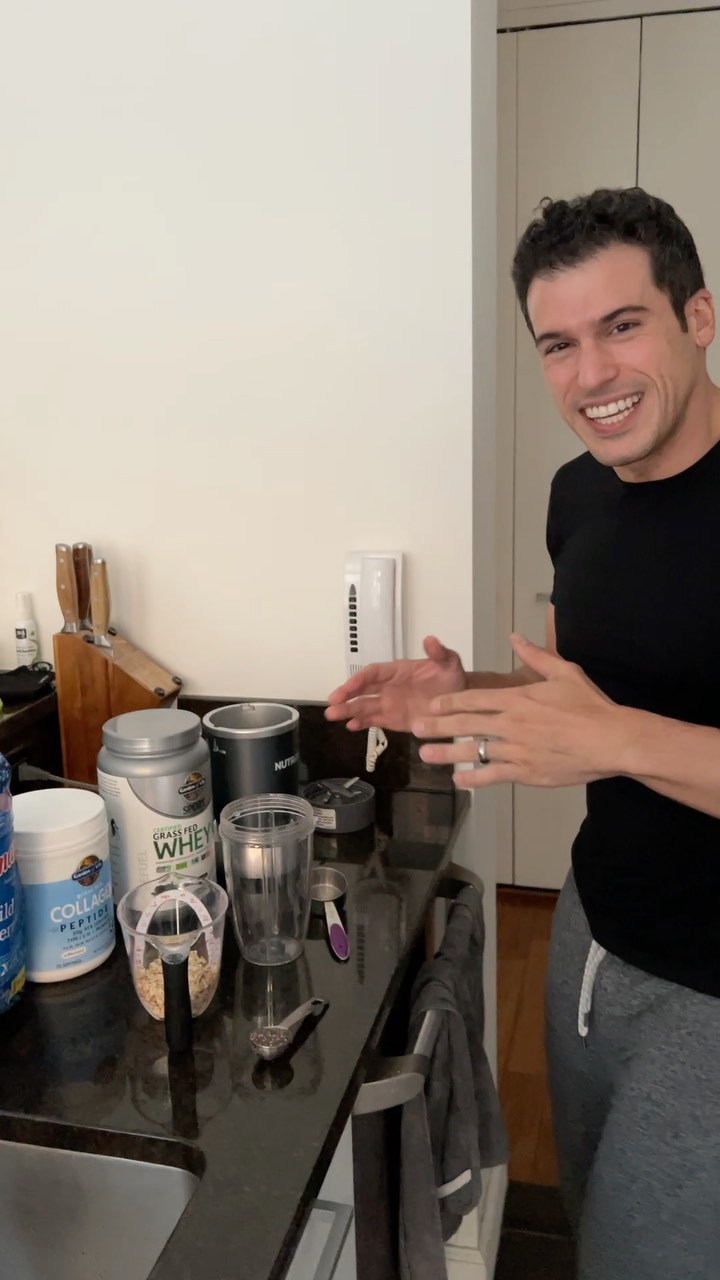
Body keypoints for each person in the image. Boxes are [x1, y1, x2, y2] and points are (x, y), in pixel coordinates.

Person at [325, 188, 720, 1280]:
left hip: (710, 988)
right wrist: (466, 693)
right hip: (595, 938)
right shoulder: (577, 495)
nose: (592, 374)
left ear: (698, 316)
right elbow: (585, 699)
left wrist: (619, 740)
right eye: (558, 344)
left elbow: (609, 729)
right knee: (594, 1226)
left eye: (623, 325)